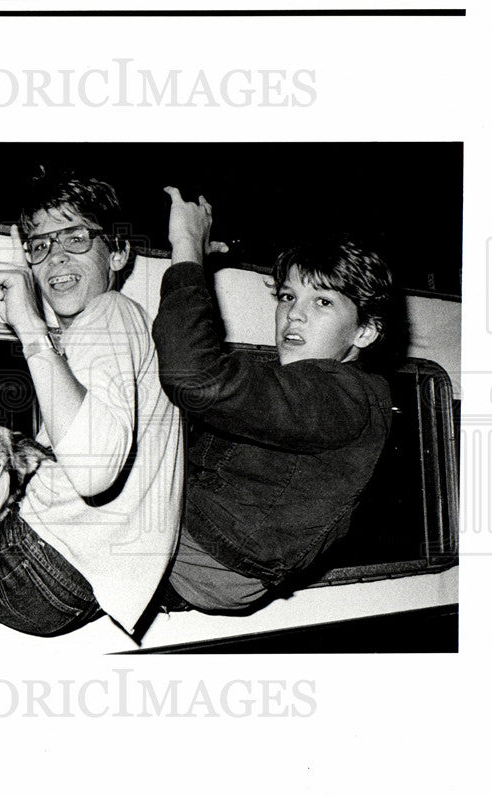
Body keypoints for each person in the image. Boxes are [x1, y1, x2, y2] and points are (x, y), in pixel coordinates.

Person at [152, 187, 395, 611]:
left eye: (322, 301)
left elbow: (193, 377)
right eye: (288, 296)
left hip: (206, 556)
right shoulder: (307, 386)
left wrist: (187, 249)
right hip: (206, 553)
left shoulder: (338, 393)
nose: (294, 314)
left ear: (365, 332)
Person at [0, 173, 184, 636]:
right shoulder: (113, 330)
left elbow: (93, 471)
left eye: (76, 237)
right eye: (41, 245)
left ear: (120, 252)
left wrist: (28, 325)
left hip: (43, 562)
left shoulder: (108, 313)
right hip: (83, 581)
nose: (57, 256)